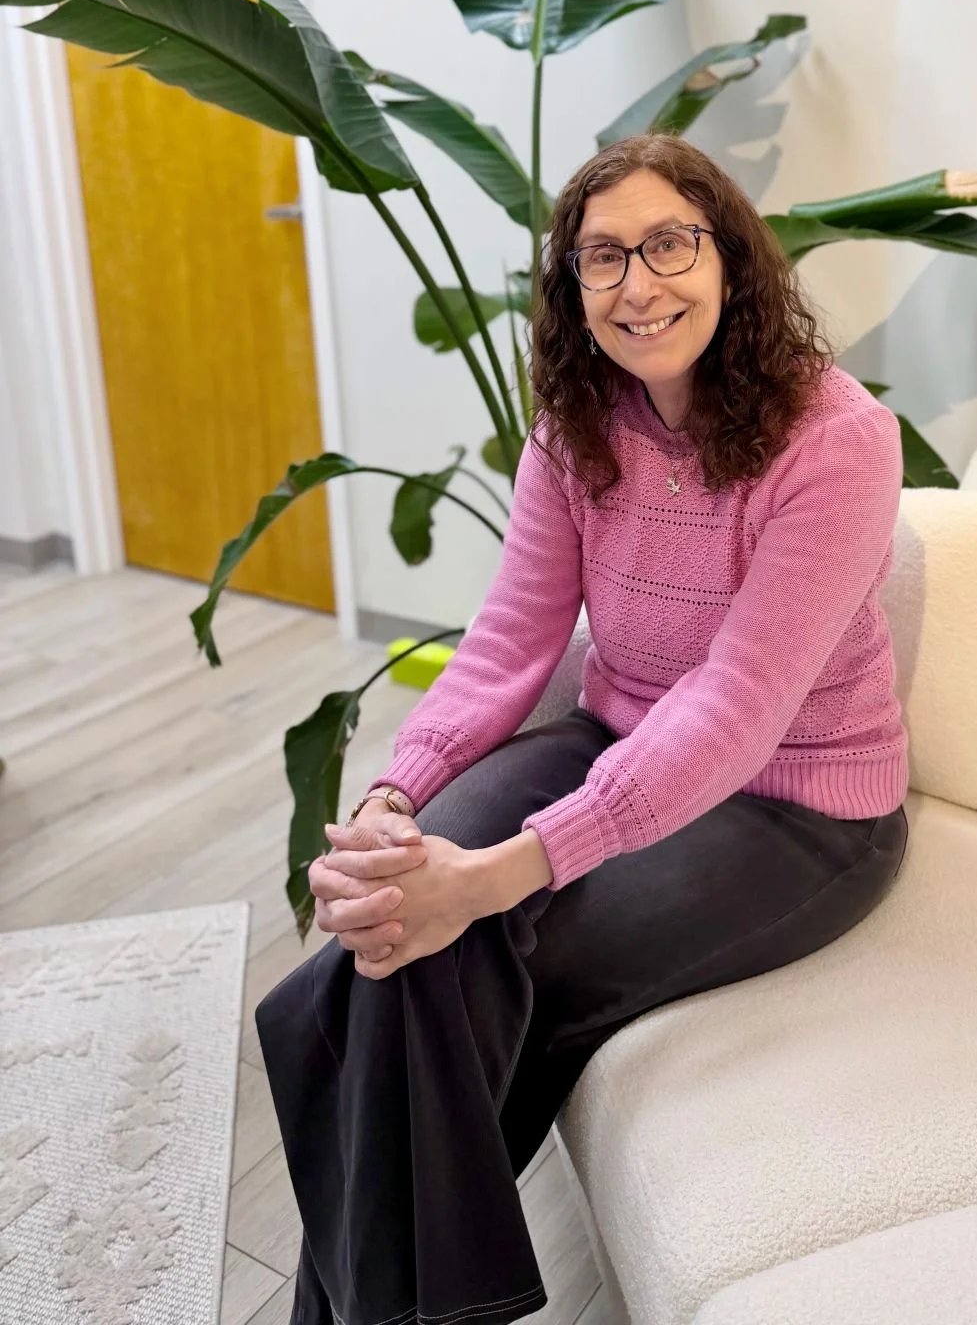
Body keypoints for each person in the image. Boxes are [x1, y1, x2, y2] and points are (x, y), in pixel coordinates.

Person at [255, 133, 911, 1325]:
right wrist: (394, 803)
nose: (637, 283)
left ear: (731, 258)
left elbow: (739, 705)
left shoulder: (838, 441)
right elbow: (508, 642)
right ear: (571, 289)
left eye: (669, 243)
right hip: (615, 741)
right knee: (398, 925)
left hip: (802, 807)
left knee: (440, 951)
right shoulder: (575, 427)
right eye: (601, 258)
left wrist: (504, 870)